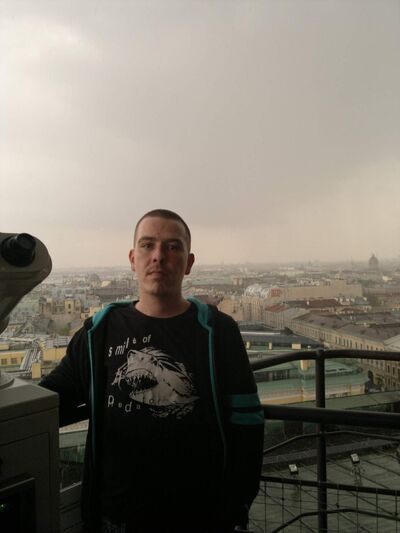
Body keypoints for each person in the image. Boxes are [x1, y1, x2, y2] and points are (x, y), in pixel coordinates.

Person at [40, 209, 264, 533]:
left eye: (173, 246)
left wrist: (236, 506)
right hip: (115, 518)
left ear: (189, 263)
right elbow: (48, 400)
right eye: (148, 245)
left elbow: (248, 422)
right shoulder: (99, 332)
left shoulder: (218, 331)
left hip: (201, 517)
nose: (159, 256)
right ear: (133, 259)